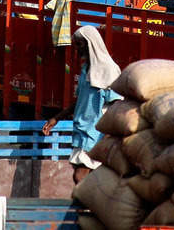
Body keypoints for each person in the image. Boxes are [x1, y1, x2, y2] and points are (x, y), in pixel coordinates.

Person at [41, 26, 121, 184]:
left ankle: (84, 207)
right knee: (86, 178)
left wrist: (108, 134)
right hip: (82, 131)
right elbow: (80, 100)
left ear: (89, 44)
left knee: (80, 176)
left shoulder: (109, 70)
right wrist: (56, 119)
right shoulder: (86, 70)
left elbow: (116, 104)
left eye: (79, 44)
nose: (76, 49)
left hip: (96, 133)